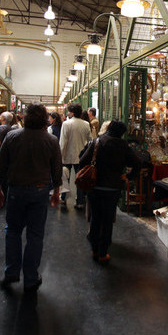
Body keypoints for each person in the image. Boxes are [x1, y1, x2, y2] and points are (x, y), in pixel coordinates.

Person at [0, 102, 62, 292]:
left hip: (16, 190)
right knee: (35, 235)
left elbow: (1, 164)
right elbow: (56, 168)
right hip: (40, 192)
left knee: (13, 231)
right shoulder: (50, 140)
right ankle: (31, 278)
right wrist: (56, 191)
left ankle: (11, 273)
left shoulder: (12, 136)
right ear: (44, 119)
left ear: (25, 117)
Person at [78, 119, 140, 263]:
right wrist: (128, 176)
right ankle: (103, 253)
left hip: (95, 186)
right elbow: (137, 162)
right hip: (113, 188)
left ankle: (94, 249)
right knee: (107, 220)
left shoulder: (97, 142)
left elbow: (82, 160)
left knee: (95, 217)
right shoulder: (123, 145)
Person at [59, 103, 92, 210]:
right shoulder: (86, 124)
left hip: (67, 155)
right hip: (81, 156)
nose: (67, 113)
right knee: (80, 179)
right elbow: (90, 140)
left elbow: (63, 142)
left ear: (72, 113)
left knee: (65, 178)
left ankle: (63, 198)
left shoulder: (66, 124)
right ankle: (80, 201)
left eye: (68, 111)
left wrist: (60, 155)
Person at [0, 111, 18, 206]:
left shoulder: (2, 128)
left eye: (1, 116)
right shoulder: (10, 128)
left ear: (3, 119)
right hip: (8, 157)